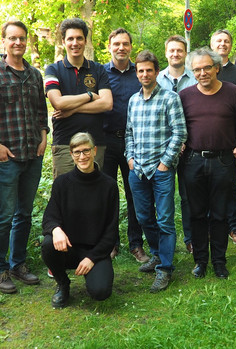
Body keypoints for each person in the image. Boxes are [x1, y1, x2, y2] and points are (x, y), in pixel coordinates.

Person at [0, 20, 48, 294]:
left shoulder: (35, 75)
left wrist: (43, 137)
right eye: (12, 38)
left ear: (26, 41)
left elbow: (41, 113)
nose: (17, 43)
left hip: (32, 154)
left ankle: (18, 264)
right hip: (5, 157)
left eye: (21, 38)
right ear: (4, 41)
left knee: (24, 214)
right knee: (4, 215)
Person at [178, 48, 236, 279]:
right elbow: (180, 127)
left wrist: (227, 144)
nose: (202, 73)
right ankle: (200, 262)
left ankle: (219, 261)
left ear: (217, 67)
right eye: (197, 69)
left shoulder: (232, 92)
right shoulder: (185, 95)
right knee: (196, 213)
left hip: (223, 161)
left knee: (219, 214)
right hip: (193, 162)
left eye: (207, 67)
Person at [126, 50, 188, 292]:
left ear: (156, 71)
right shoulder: (133, 100)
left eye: (149, 70)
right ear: (137, 73)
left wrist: (165, 162)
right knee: (144, 217)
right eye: (140, 70)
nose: (144, 74)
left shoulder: (170, 98)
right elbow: (129, 132)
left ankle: (165, 269)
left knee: (164, 220)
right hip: (138, 170)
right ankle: (156, 255)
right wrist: (129, 158)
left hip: (161, 170)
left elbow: (180, 132)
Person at [42, 132, 118, 308]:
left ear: (94, 151)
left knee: (100, 292)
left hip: (95, 252)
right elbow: (49, 217)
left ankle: (93, 274)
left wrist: (92, 257)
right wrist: (56, 230)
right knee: (48, 243)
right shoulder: (62, 183)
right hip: (67, 250)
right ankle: (63, 284)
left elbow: (111, 231)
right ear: (71, 155)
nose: (82, 156)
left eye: (86, 151)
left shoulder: (109, 186)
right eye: (77, 152)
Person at [45, 18, 113, 178]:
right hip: (64, 146)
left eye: (79, 38)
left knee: (94, 197)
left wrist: (72, 109)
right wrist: (90, 95)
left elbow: (107, 103)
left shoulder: (98, 69)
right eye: (70, 39)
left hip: (95, 145)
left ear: (85, 40)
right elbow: (58, 103)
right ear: (63, 41)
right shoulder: (53, 70)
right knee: (65, 196)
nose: (75, 43)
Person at [101, 28, 146, 262]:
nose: (121, 48)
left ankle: (136, 243)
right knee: (108, 194)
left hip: (134, 143)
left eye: (125, 44)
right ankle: (111, 242)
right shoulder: (100, 73)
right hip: (106, 141)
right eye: (116, 43)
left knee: (134, 194)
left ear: (131, 47)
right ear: (109, 46)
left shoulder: (138, 72)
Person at [158, 34, 196, 253]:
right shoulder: (157, 78)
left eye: (179, 50)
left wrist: (184, 141)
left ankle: (190, 238)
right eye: (171, 50)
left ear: (185, 53)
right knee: (163, 197)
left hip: (190, 146)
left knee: (187, 195)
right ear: (166, 53)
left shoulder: (194, 79)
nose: (175, 54)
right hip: (162, 147)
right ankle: (164, 241)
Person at [210, 29, 236, 245]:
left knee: (230, 185)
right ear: (212, 44)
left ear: (231, 45)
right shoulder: (204, 69)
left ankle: (233, 226)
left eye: (226, 41)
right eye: (218, 41)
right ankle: (212, 224)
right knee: (207, 186)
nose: (222, 44)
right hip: (206, 138)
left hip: (230, 140)